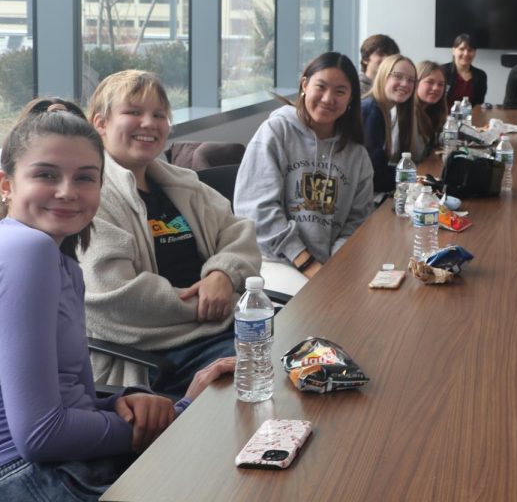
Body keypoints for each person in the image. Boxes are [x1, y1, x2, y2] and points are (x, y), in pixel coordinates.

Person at [0, 107, 232, 502]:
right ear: (5, 184)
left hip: (56, 463)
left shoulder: (57, 259)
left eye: (86, 178)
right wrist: (181, 412)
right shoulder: (30, 251)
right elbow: (40, 437)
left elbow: (61, 394)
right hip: (30, 476)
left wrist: (121, 403)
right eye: (45, 175)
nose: (67, 191)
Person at [82, 71, 260, 393]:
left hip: (221, 327)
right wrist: (217, 303)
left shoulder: (182, 183)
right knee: (264, 372)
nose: (149, 122)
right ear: (101, 123)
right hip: (155, 356)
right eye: (133, 112)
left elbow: (240, 233)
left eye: (159, 114)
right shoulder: (92, 196)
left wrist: (222, 275)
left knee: (311, 350)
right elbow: (118, 298)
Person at [234, 52, 374, 296]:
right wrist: (307, 263)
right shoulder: (276, 131)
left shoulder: (356, 154)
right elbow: (258, 210)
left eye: (340, 91)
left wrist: (335, 264)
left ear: (351, 98)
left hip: (327, 263)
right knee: (323, 306)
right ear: (304, 84)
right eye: (321, 86)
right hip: (273, 259)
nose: (328, 98)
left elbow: (357, 220)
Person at [361, 54, 417, 195]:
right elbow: (374, 175)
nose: (405, 84)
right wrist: (413, 180)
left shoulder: (383, 109)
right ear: (383, 76)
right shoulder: (371, 111)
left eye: (411, 80)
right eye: (398, 76)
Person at [413, 61, 448, 161]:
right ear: (416, 83)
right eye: (430, 82)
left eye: (441, 84)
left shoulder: (435, 111)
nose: (436, 88)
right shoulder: (409, 114)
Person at [441, 33, 488, 107]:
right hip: (444, 117)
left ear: (475, 52)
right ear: (453, 51)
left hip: (471, 117)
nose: (466, 53)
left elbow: (478, 105)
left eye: (470, 50)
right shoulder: (442, 71)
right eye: (461, 49)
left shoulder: (481, 76)